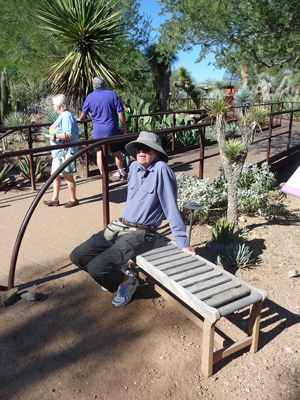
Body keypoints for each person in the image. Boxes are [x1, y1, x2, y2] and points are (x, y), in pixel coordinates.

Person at [70, 131, 195, 307]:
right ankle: (116, 275)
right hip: (120, 225)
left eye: (147, 148)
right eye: (138, 148)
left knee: (97, 267)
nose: (141, 152)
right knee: (78, 256)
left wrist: (182, 242)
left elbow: (170, 207)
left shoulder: (162, 170)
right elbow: (132, 199)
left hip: (142, 232)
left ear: (157, 152)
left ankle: (127, 282)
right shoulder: (135, 167)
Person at [77, 77, 127, 180]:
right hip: (112, 129)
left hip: (98, 131)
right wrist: (123, 125)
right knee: (116, 152)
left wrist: (80, 119)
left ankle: (104, 176)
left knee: (99, 153)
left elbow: (84, 114)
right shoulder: (112, 94)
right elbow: (120, 112)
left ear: (94, 86)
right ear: (104, 84)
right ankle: (122, 173)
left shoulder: (90, 97)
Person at [43, 94, 79, 208]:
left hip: (64, 151)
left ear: (59, 105)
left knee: (67, 175)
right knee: (55, 175)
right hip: (59, 151)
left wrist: (54, 136)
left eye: (53, 104)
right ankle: (55, 198)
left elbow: (69, 134)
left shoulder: (67, 116)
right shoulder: (63, 116)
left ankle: (73, 199)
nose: (53, 106)